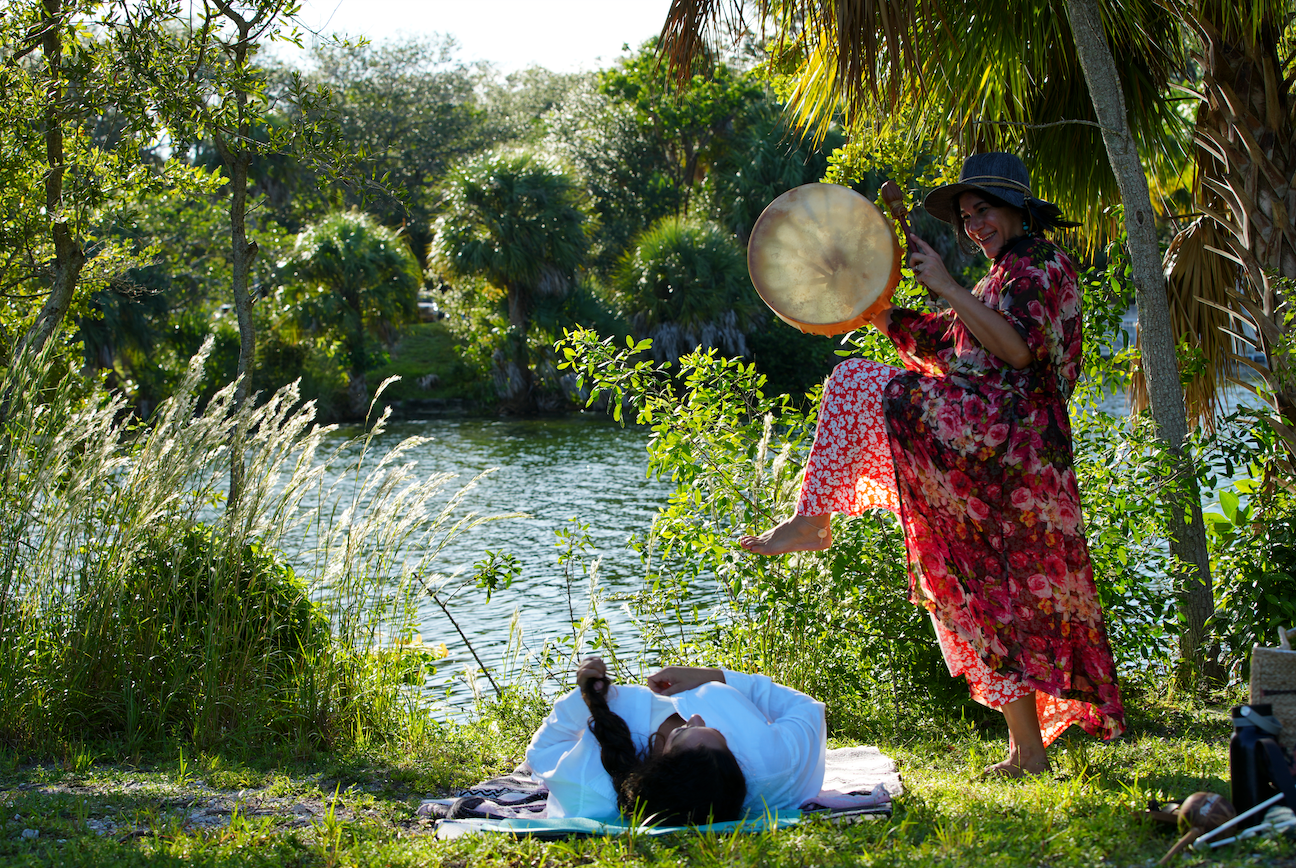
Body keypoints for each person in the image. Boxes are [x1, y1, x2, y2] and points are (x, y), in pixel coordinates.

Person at [739, 152, 1125, 777]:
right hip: (1008, 455)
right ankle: (1027, 752)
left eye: (985, 210)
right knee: (990, 589)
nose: (975, 224)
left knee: (854, 383)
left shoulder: (1039, 264)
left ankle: (812, 521)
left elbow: (1018, 352)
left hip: (1006, 438)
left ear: (1018, 208)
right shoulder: (1001, 275)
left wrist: (945, 284)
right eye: (967, 215)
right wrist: (882, 312)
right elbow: (956, 342)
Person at [525, 657, 826, 823]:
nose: (696, 717)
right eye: (719, 737)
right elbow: (807, 709)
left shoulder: (596, 788)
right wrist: (716, 677)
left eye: (682, 734)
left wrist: (585, 698)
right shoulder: (771, 763)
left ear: (659, 765)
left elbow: (541, 753)